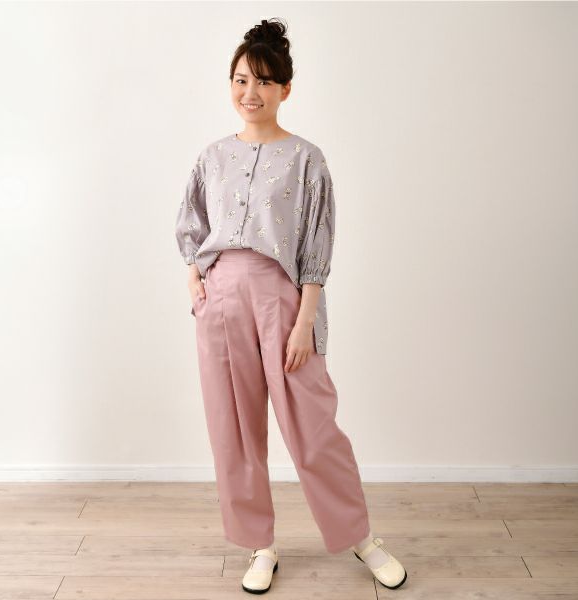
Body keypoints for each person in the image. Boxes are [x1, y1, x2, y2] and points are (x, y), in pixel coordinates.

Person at [175, 17, 407, 595]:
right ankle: (260, 545)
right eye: (240, 79)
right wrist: (195, 279)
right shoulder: (212, 157)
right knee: (234, 428)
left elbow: (316, 248)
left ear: (285, 88)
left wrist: (304, 323)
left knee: (313, 428)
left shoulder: (307, 160)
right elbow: (192, 225)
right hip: (221, 299)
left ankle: (360, 537)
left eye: (262, 81)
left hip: (283, 299)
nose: (249, 92)